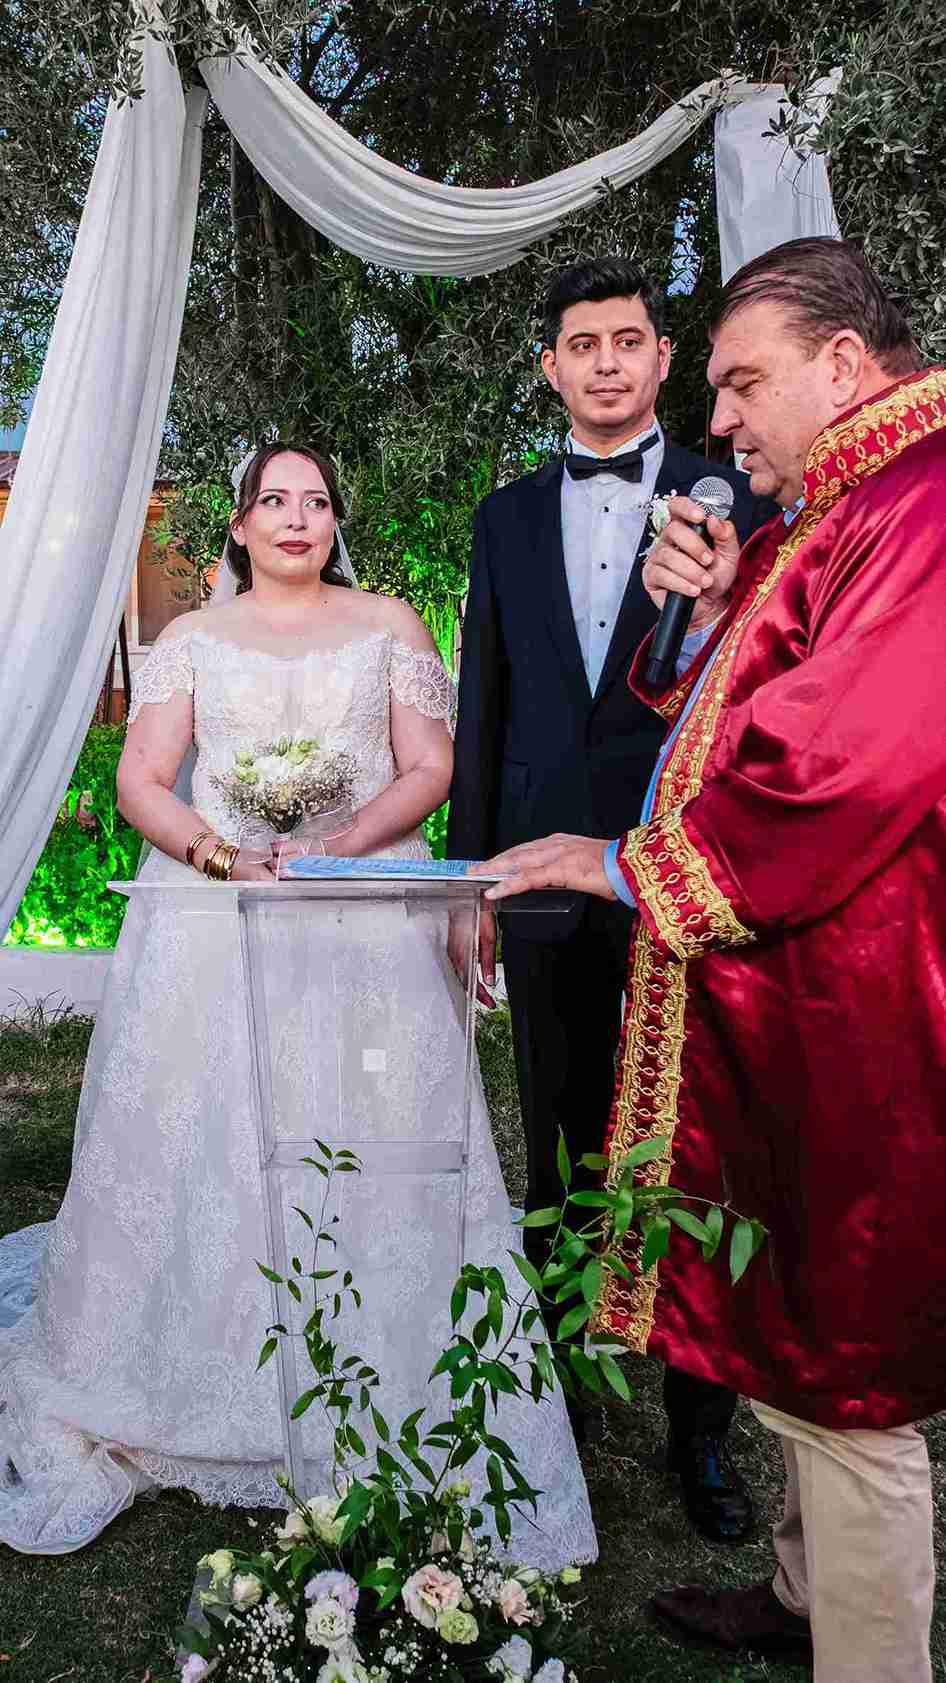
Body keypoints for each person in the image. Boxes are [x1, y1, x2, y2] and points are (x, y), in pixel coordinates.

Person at [474, 236, 946, 1681]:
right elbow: (760, 687)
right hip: (789, 985)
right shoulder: (846, 501)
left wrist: (622, 861)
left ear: (842, 366)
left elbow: (845, 763)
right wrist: (722, 600)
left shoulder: (921, 505)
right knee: (794, 1312)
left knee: (848, 1371)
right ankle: (800, 1599)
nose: (723, 420)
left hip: (854, 994)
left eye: (742, 383)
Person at [0, 442, 596, 1567]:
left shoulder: (390, 625)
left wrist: (339, 846)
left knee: (369, 1123)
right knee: (204, 1125)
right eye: (274, 500)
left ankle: (390, 1350)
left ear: (334, 522)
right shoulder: (191, 638)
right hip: (213, 918)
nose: (295, 518)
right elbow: (141, 779)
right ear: (238, 524)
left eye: (315, 501)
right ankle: (197, 1356)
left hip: (365, 912)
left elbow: (429, 766)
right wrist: (222, 854)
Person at [448, 256, 775, 1539]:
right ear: (550, 367)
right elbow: (484, 704)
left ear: (659, 357)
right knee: (559, 1139)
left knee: (694, 1150)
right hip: (536, 874)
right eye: (581, 344)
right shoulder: (504, 518)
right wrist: (473, 881)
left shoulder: (738, 496)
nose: (604, 363)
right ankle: (562, 1406)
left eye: (626, 341)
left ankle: (702, 1434)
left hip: (680, 867)